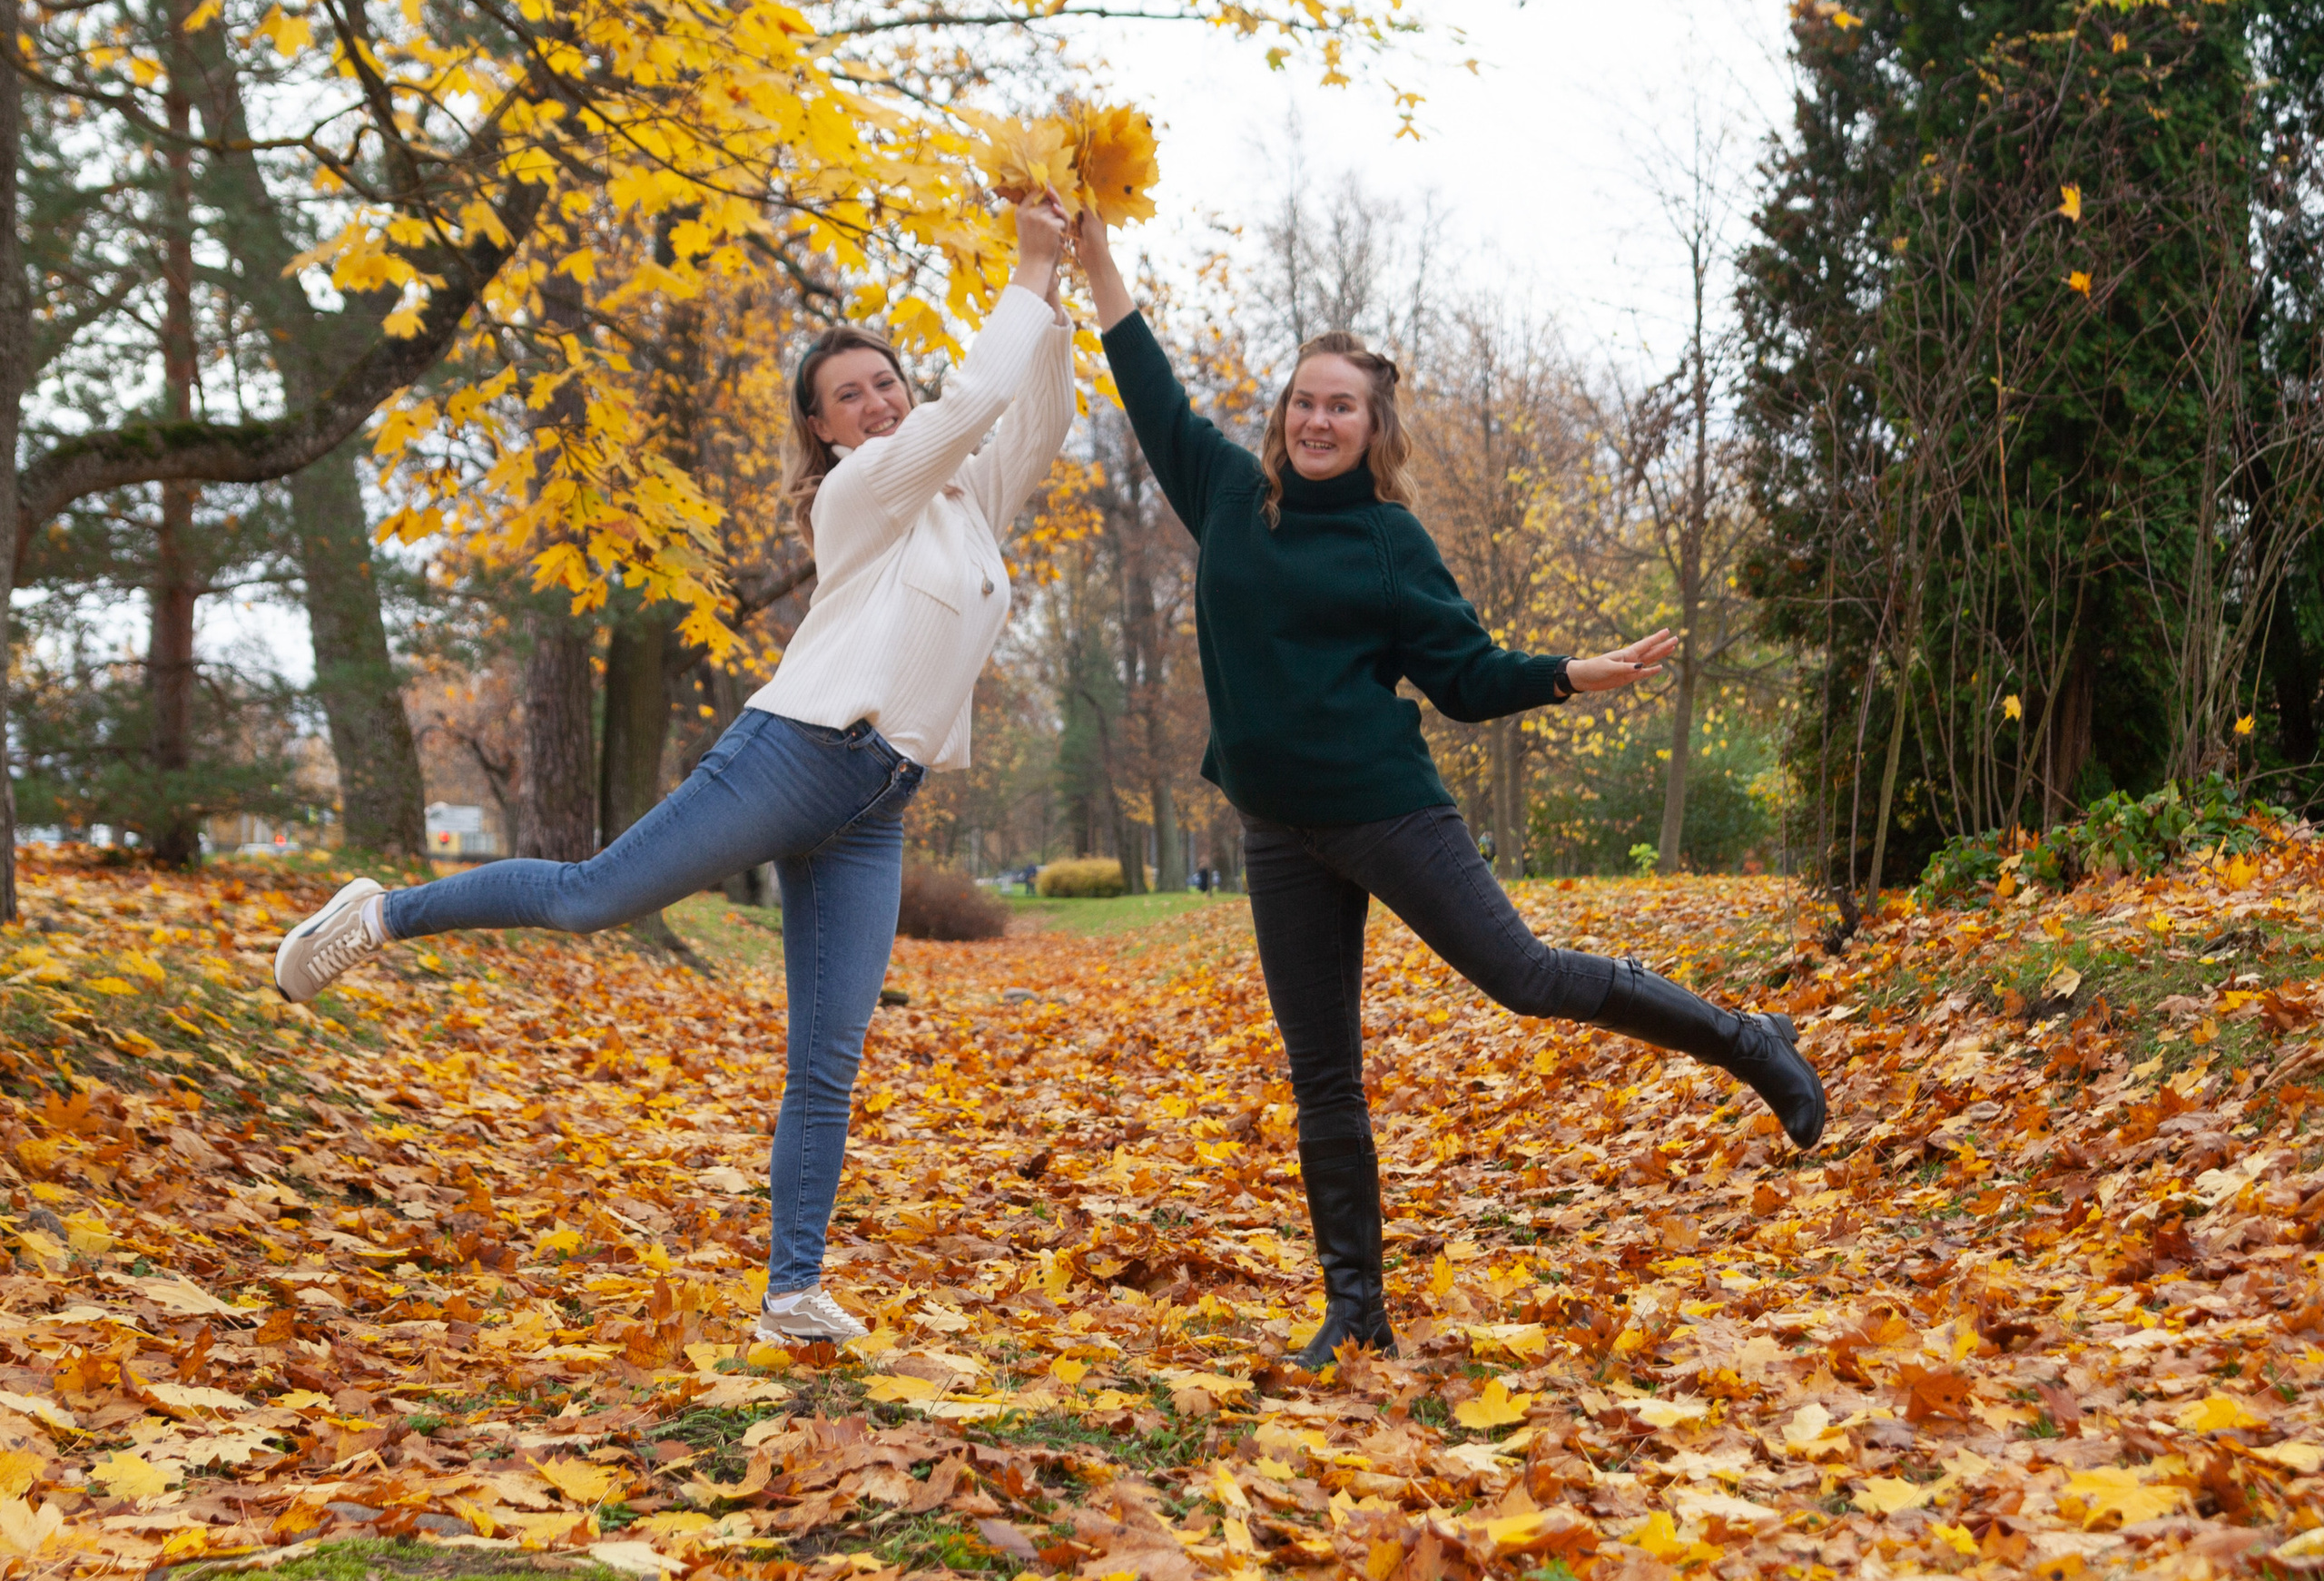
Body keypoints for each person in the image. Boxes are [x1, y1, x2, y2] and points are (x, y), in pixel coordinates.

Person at [271, 197, 1081, 1343]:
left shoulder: (967, 505)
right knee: (591, 896)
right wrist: (1025, 266)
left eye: (887, 379)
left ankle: (793, 1293)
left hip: (873, 802)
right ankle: (383, 913)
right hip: (794, 756)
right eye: (849, 392)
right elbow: (976, 403)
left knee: (829, 1054)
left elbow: (1032, 416)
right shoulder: (864, 493)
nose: (879, 399)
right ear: (824, 428)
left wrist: (1064, 286)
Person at [1071, 210, 1825, 1372]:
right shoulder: (1224, 493)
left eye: (1341, 406)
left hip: (1385, 810)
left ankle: (1747, 1040)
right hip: (1276, 828)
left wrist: (1575, 673)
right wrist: (1088, 253)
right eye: (1302, 401)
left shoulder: (1388, 540)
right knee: (1319, 1065)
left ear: (1372, 428)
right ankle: (1355, 1305)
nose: (1315, 419)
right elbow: (1142, 371)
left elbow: (1463, 680)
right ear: (1282, 416)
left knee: (1521, 975)